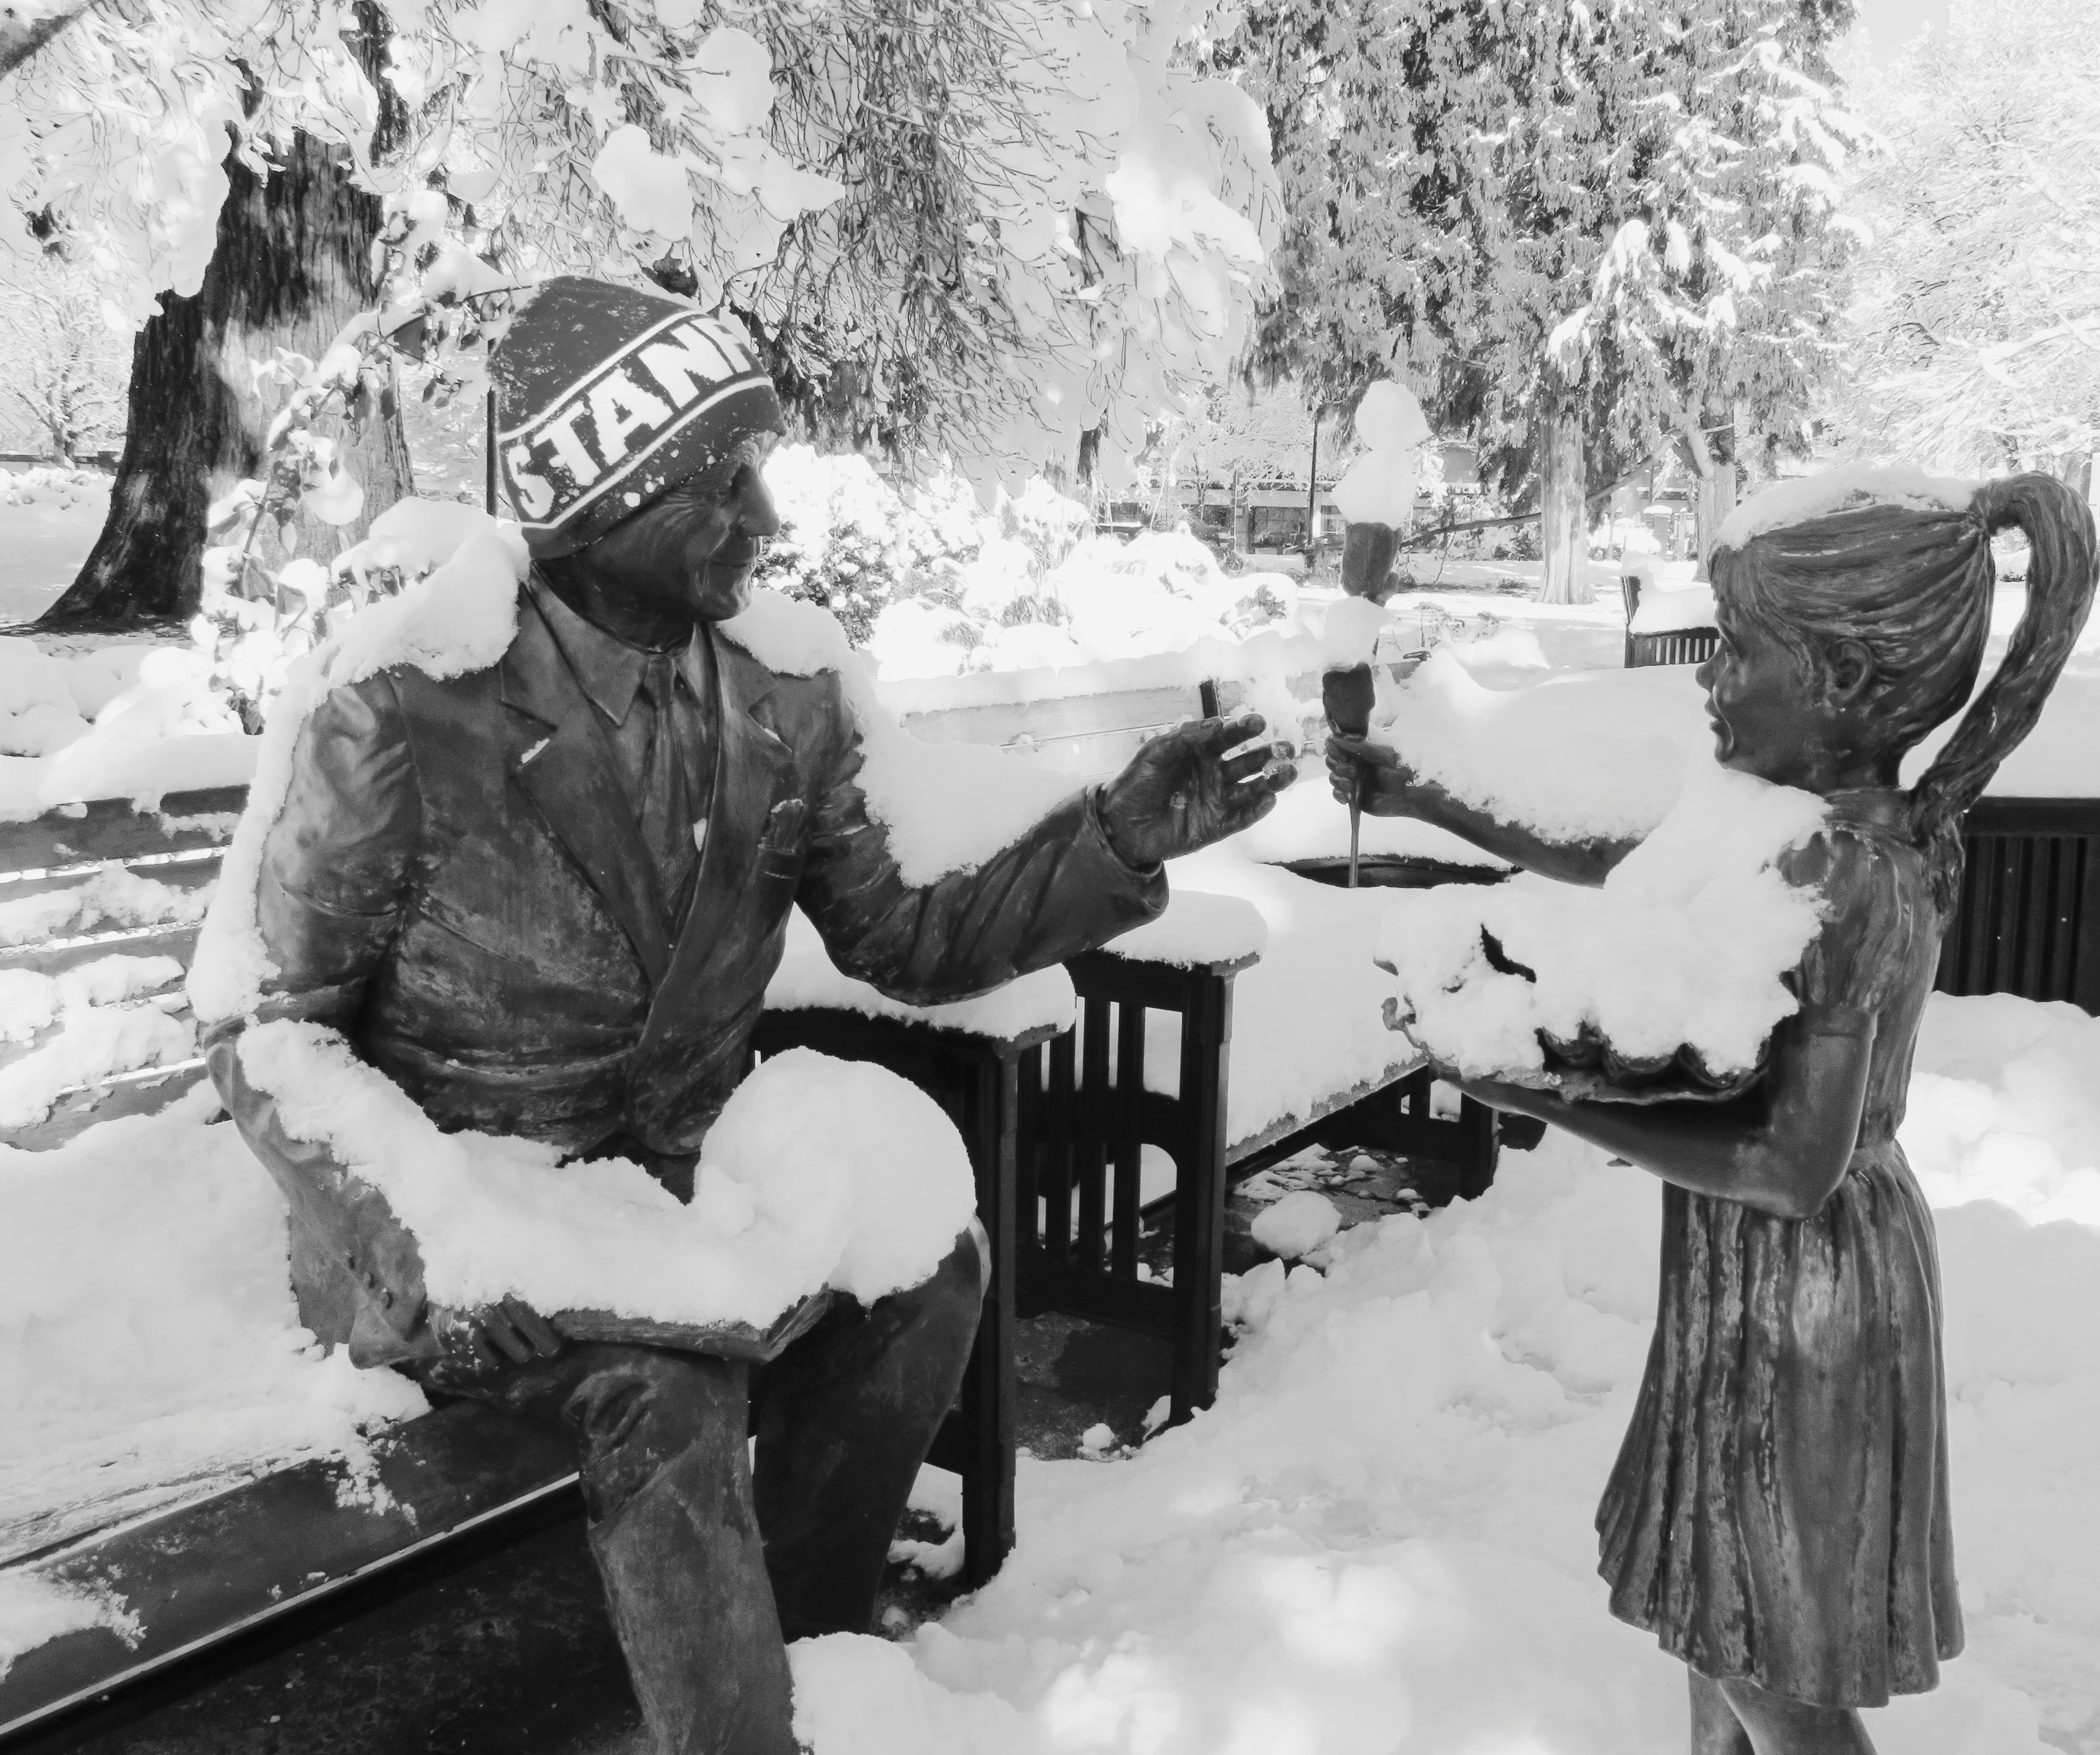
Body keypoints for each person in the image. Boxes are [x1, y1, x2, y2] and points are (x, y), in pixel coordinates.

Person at [195, 276, 1294, 1755]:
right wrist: (427, 1239)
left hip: (681, 1201)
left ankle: (809, 1661)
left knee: (934, 1272)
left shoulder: (786, 694)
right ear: (606, 496)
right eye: (727, 481)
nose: (770, 515)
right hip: (472, 1237)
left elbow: (903, 936)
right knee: (666, 1397)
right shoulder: (404, 708)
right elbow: (269, 1027)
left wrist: (1120, 841)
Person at [1329, 474, 2097, 1755]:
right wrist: (1428, 795)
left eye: (1740, 652)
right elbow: (1620, 853)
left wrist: (1521, 1085)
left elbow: (1799, 1166)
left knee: (1775, 1669)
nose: (1708, 677)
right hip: (1749, 1284)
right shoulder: (1782, 819)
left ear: (1842, 684)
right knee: (1716, 1621)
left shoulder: (1848, 874)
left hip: (1814, 1299)